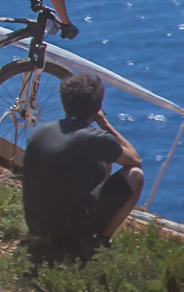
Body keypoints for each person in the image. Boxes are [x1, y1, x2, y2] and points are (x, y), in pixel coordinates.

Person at [22, 73, 143, 257]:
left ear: (64, 102)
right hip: (64, 234)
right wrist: (105, 124)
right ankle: (101, 240)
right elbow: (135, 160)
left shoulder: (41, 131)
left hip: (36, 224)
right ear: (97, 107)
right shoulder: (94, 138)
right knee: (135, 176)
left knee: (101, 161)